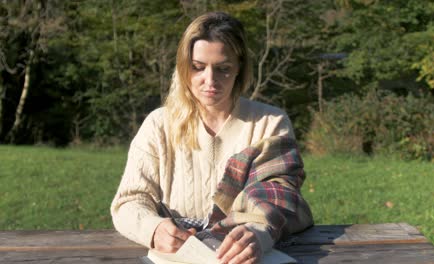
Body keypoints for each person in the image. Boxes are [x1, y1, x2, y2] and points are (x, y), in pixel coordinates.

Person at [110, 12, 313, 264]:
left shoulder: (270, 124)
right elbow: (129, 201)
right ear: (184, 68)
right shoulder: (158, 125)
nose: (210, 80)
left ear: (239, 68)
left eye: (223, 69)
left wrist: (256, 235)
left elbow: (279, 198)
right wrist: (154, 229)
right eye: (198, 67)